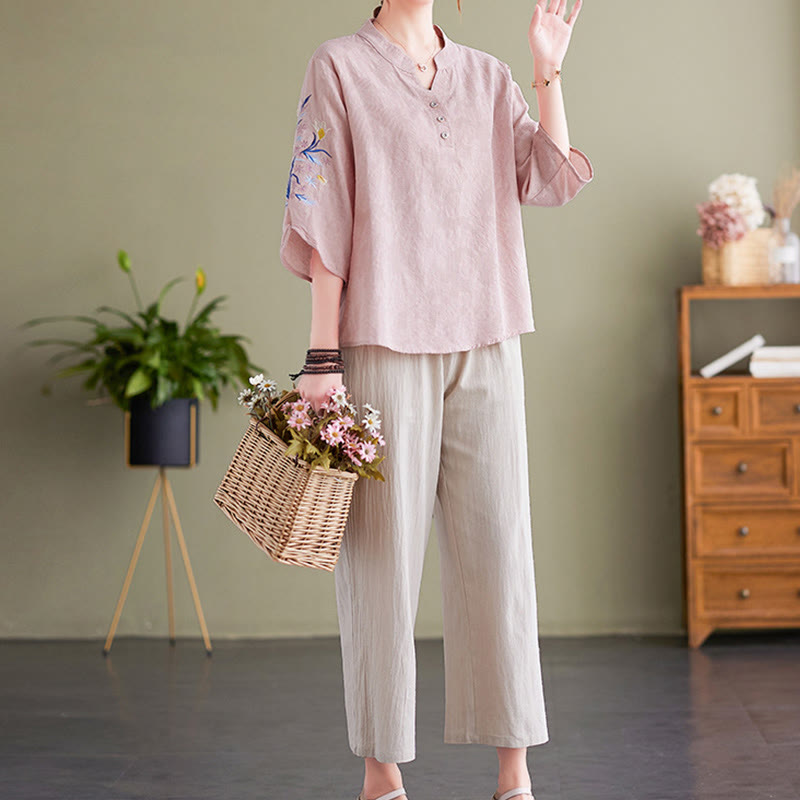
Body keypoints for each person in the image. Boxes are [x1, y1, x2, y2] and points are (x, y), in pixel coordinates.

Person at [279, 2, 592, 799]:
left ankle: (514, 777)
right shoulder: (339, 65)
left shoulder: (486, 76)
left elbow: (549, 178)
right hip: (383, 338)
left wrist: (547, 67)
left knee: (501, 553)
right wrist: (322, 355)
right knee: (380, 562)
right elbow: (324, 214)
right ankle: (381, 776)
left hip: (488, 336)